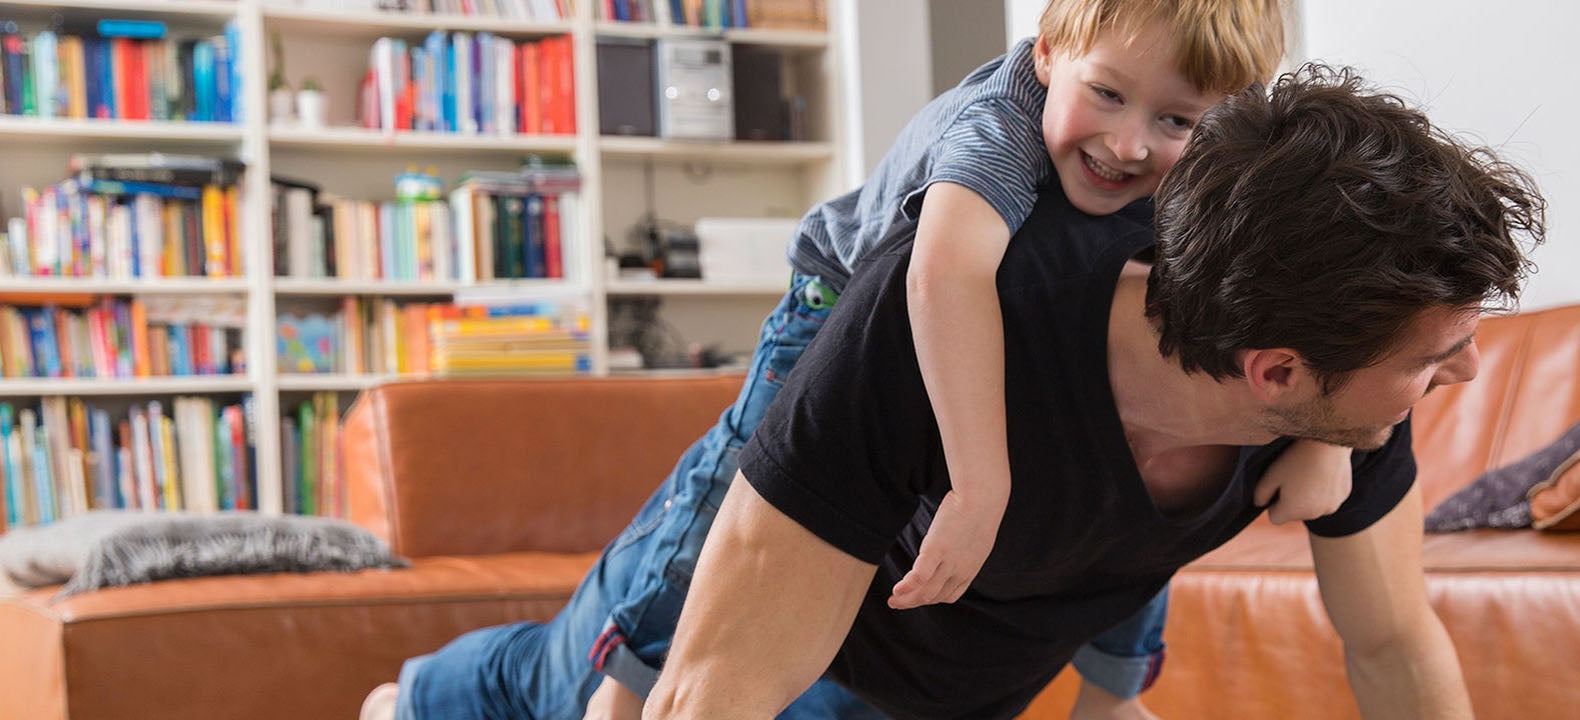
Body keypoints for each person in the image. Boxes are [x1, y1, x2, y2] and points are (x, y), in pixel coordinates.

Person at [362, 2, 1315, 719]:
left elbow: (1313, 300)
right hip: (838, 316)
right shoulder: (997, 130)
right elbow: (941, 277)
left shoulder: (1199, 178)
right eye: (1106, 94)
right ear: (1048, 55)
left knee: (1129, 500)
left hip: (1011, 346)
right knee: (735, 496)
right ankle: (627, 663)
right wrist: (978, 485)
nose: (1128, 142)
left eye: (1177, 122)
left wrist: (1326, 438)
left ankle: (1114, 687)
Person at [640, 66, 1543, 719]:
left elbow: (1391, 645)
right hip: (800, 686)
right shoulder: (943, 319)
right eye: (1439, 358)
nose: (1464, 372)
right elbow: (715, 690)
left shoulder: (1335, 403)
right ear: (1274, 371)